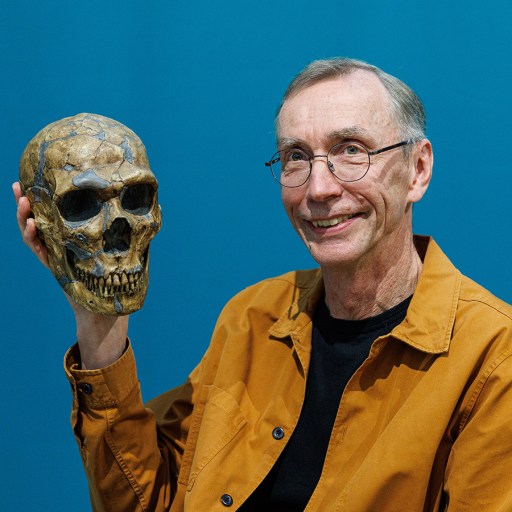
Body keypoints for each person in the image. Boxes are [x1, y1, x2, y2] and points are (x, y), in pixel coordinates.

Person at [14, 58, 512, 511]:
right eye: (296, 157)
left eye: (351, 150)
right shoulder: (252, 318)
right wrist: (99, 320)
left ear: (417, 170)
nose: (319, 188)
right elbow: (148, 500)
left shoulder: (492, 359)